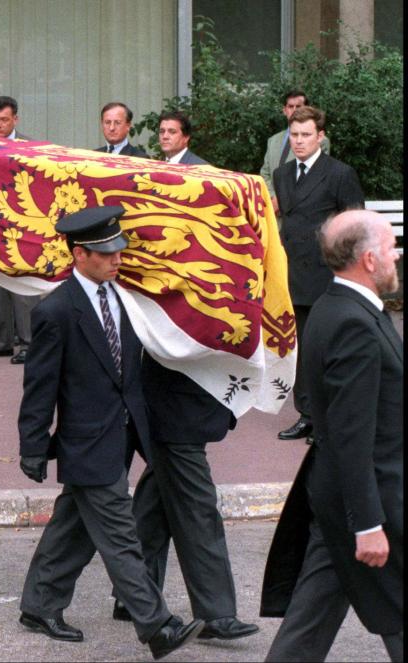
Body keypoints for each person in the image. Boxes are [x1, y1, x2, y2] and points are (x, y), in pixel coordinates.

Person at [16, 206, 203, 659]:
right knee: (121, 536)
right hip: (86, 442)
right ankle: (156, 626)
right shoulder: (56, 311)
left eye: (119, 249)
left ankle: (39, 606)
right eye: (106, 252)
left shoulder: (121, 298)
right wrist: (33, 447)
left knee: (73, 528)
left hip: (119, 437)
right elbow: (39, 388)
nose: (117, 258)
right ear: (80, 254)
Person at [261, 209, 402, 662]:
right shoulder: (353, 324)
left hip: (345, 499)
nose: (396, 253)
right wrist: (368, 524)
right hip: (369, 503)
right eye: (389, 246)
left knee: (309, 624)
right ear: (368, 260)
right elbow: (351, 434)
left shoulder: (335, 307)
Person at [114, 356, 259, 641]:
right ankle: (215, 614)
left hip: (184, 399)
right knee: (198, 507)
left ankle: (133, 596)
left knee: (156, 502)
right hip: (177, 403)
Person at [272, 106, 364, 443]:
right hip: (291, 274)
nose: (298, 141)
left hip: (327, 276)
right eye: (294, 135)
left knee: (327, 350)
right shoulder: (282, 174)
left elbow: (355, 226)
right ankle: (307, 415)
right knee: (299, 351)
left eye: (306, 135)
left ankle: (329, 421)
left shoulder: (340, 173)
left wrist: (349, 276)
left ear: (320, 136)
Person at [0, 98, 38, 364]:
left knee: (22, 285)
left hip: (22, 221)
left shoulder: (28, 147)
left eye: (4, 120)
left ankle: (28, 342)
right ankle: (2, 341)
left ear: (15, 119)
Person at [260, 90, 330, 216]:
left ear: (307, 109)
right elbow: (265, 173)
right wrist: (272, 198)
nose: (294, 110)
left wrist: (281, 201)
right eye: (290, 106)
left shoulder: (320, 141)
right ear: (284, 110)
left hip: (300, 214)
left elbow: (314, 176)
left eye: (298, 106)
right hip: (273, 214)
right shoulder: (273, 140)